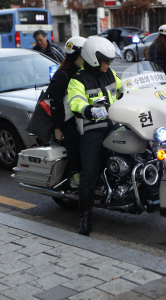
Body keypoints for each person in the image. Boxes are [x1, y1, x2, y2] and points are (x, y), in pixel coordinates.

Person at [67, 36, 122, 236]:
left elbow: (125, 90)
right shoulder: (78, 79)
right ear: (94, 59)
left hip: (115, 124)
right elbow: (75, 102)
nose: (109, 64)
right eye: (106, 60)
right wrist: (90, 110)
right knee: (89, 171)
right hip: (93, 129)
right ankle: (85, 218)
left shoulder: (111, 74)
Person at [45, 37, 86, 189]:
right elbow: (54, 103)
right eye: (84, 54)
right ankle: (75, 174)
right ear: (76, 55)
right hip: (67, 119)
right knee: (74, 138)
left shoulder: (84, 71)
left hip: (82, 115)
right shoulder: (62, 75)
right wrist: (57, 128)